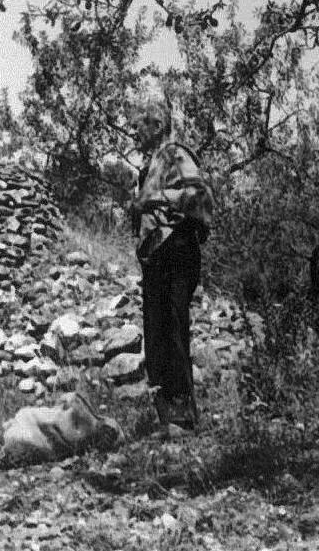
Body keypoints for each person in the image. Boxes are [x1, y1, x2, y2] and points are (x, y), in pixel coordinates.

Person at [129, 101, 214, 431]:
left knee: (174, 331)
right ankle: (167, 416)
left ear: (155, 127)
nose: (135, 133)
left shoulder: (175, 154)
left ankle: (184, 415)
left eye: (140, 127)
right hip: (158, 256)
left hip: (175, 250)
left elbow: (200, 197)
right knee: (157, 334)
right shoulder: (152, 163)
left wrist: (155, 198)